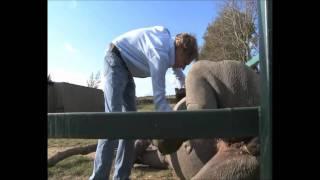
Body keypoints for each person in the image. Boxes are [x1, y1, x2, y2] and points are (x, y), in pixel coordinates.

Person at [89, 26, 198, 180]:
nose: (183, 66)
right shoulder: (160, 53)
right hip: (115, 58)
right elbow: (159, 101)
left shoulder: (170, 44)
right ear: (180, 49)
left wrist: (187, 88)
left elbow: (178, 72)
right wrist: (176, 124)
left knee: (131, 126)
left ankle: (121, 177)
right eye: (185, 62)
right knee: (112, 122)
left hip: (126, 68)